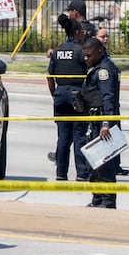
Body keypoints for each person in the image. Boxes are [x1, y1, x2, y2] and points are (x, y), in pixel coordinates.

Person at [47, 14, 89, 181]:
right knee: (79, 135)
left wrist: (55, 95)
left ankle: (61, 173)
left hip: (60, 94)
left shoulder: (57, 52)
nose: (84, 34)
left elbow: (49, 76)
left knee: (63, 137)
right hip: (77, 95)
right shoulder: (81, 51)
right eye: (83, 32)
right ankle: (81, 173)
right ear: (77, 32)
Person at [80, 37, 121, 208]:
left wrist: (106, 123)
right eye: (85, 56)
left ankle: (107, 200)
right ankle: (97, 198)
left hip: (103, 122)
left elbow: (108, 98)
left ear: (99, 51)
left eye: (89, 56)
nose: (86, 59)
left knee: (104, 163)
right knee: (93, 162)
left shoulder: (104, 70)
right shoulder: (98, 66)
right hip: (94, 119)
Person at [95, 27, 129, 176]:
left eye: (107, 36)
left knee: (116, 134)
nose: (105, 39)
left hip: (114, 101)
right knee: (107, 134)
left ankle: (116, 165)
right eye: (102, 37)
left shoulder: (106, 56)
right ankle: (106, 166)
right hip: (105, 101)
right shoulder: (96, 58)